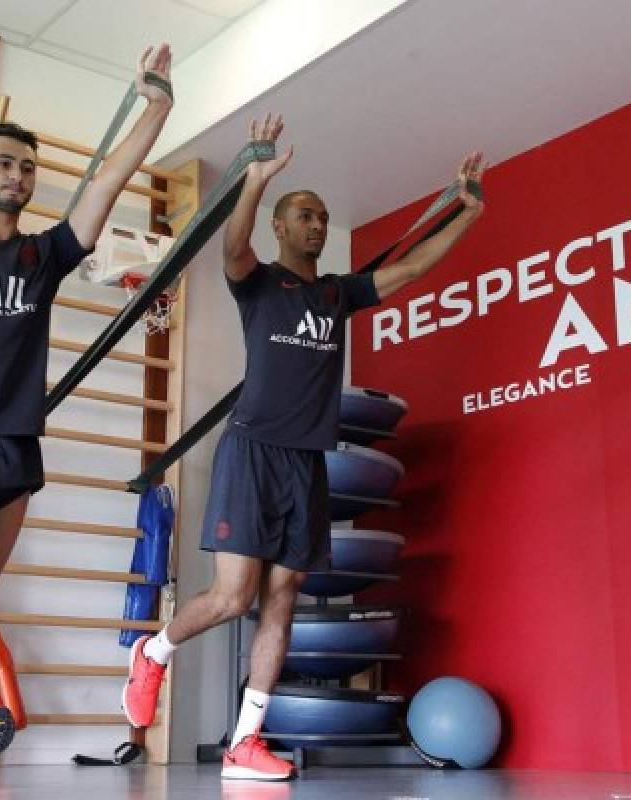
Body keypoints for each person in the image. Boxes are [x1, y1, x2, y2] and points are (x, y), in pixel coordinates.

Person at [122, 114, 486, 782]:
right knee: (235, 597)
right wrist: (256, 180)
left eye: (322, 217)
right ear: (280, 229)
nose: (317, 225)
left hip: (306, 461)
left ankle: (246, 742)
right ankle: (155, 651)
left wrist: (464, 213)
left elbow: (406, 270)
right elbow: (232, 246)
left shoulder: (334, 293)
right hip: (253, 451)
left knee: (284, 596)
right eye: (305, 216)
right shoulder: (259, 283)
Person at [0, 5, 174, 789]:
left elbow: (108, 185)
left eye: (27, 168)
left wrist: (156, 110)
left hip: (14, 444)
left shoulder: (45, 256)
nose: (19, 176)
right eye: (5, 163)